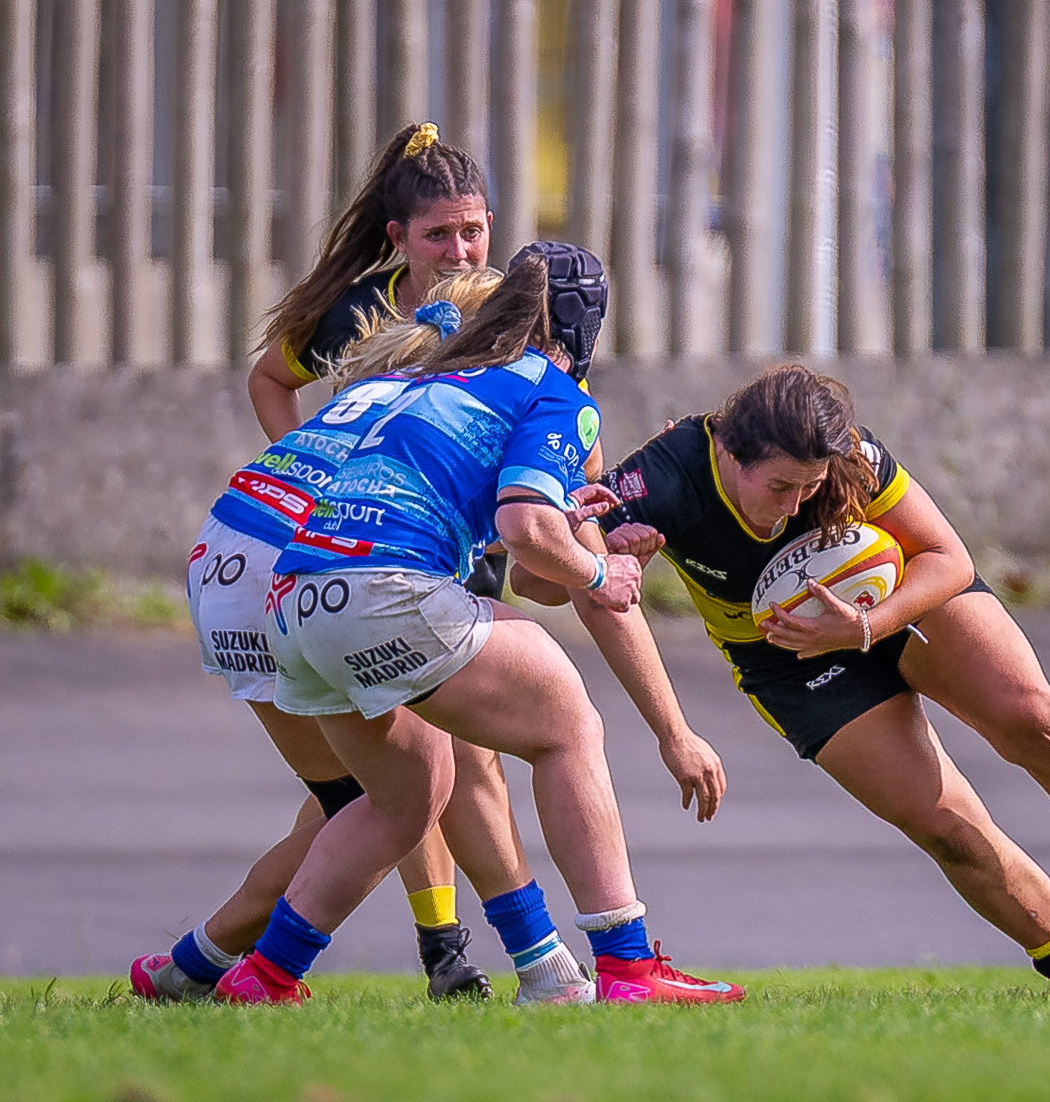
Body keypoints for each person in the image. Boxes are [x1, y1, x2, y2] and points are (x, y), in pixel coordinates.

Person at [534, 363, 1050, 998]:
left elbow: (946, 555)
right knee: (950, 829)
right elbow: (544, 586)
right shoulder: (658, 479)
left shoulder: (845, 451)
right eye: (781, 487)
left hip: (890, 603)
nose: (792, 507)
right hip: (786, 660)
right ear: (727, 452)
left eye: (808, 489)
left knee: (1038, 721)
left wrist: (863, 627)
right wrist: (607, 562)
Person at [216, 245, 740, 1006]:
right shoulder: (553, 389)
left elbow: (519, 550)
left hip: (292, 601)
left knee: (403, 796)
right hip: (381, 587)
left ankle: (263, 976)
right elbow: (528, 530)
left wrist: (573, 526)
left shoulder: (419, 377)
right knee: (567, 723)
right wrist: (600, 569)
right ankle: (627, 967)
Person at [132, 272, 513, 1004]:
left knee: (355, 804)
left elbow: (272, 381)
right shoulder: (467, 401)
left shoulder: (383, 371)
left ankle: (195, 968)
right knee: (403, 792)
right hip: (298, 573)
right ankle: (245, 970)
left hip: (225, 556)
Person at [247, 121, 513, 601]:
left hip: (469, 562)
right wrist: (312, 475)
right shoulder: (355, 312)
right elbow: (269, 379)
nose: (459, 253)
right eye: (438, 234)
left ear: (490, 224)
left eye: (471, 231)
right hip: (361, 552)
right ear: (398, 236)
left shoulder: (515, 313)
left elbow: (570, 427)